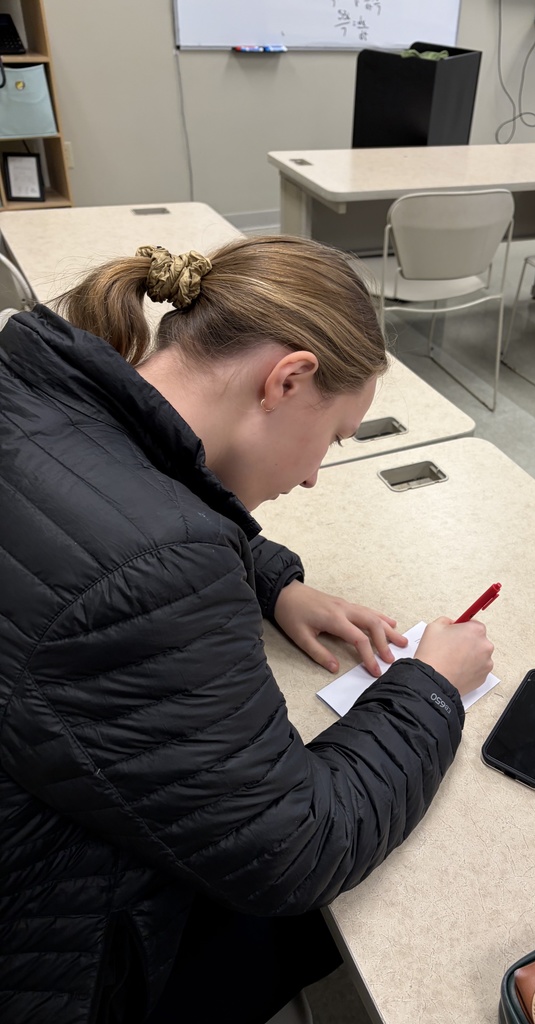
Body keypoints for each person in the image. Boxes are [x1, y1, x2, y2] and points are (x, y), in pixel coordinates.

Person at [0, 234, 494, 1024]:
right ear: (289, 378)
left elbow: (118, 494)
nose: (310, 477)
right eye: (331, 439)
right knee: (312, 927)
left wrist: (272, 580)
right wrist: (432, 690)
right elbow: (296, 847)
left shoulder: (39, 381)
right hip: (47, 951)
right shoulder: (159, 574)